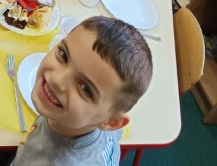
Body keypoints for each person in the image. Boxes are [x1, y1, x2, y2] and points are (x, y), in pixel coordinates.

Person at [12, 16, 152, 166]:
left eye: (85, 89)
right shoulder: (103, 117)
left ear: (110, 121)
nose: (57, 80)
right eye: (63, 55)